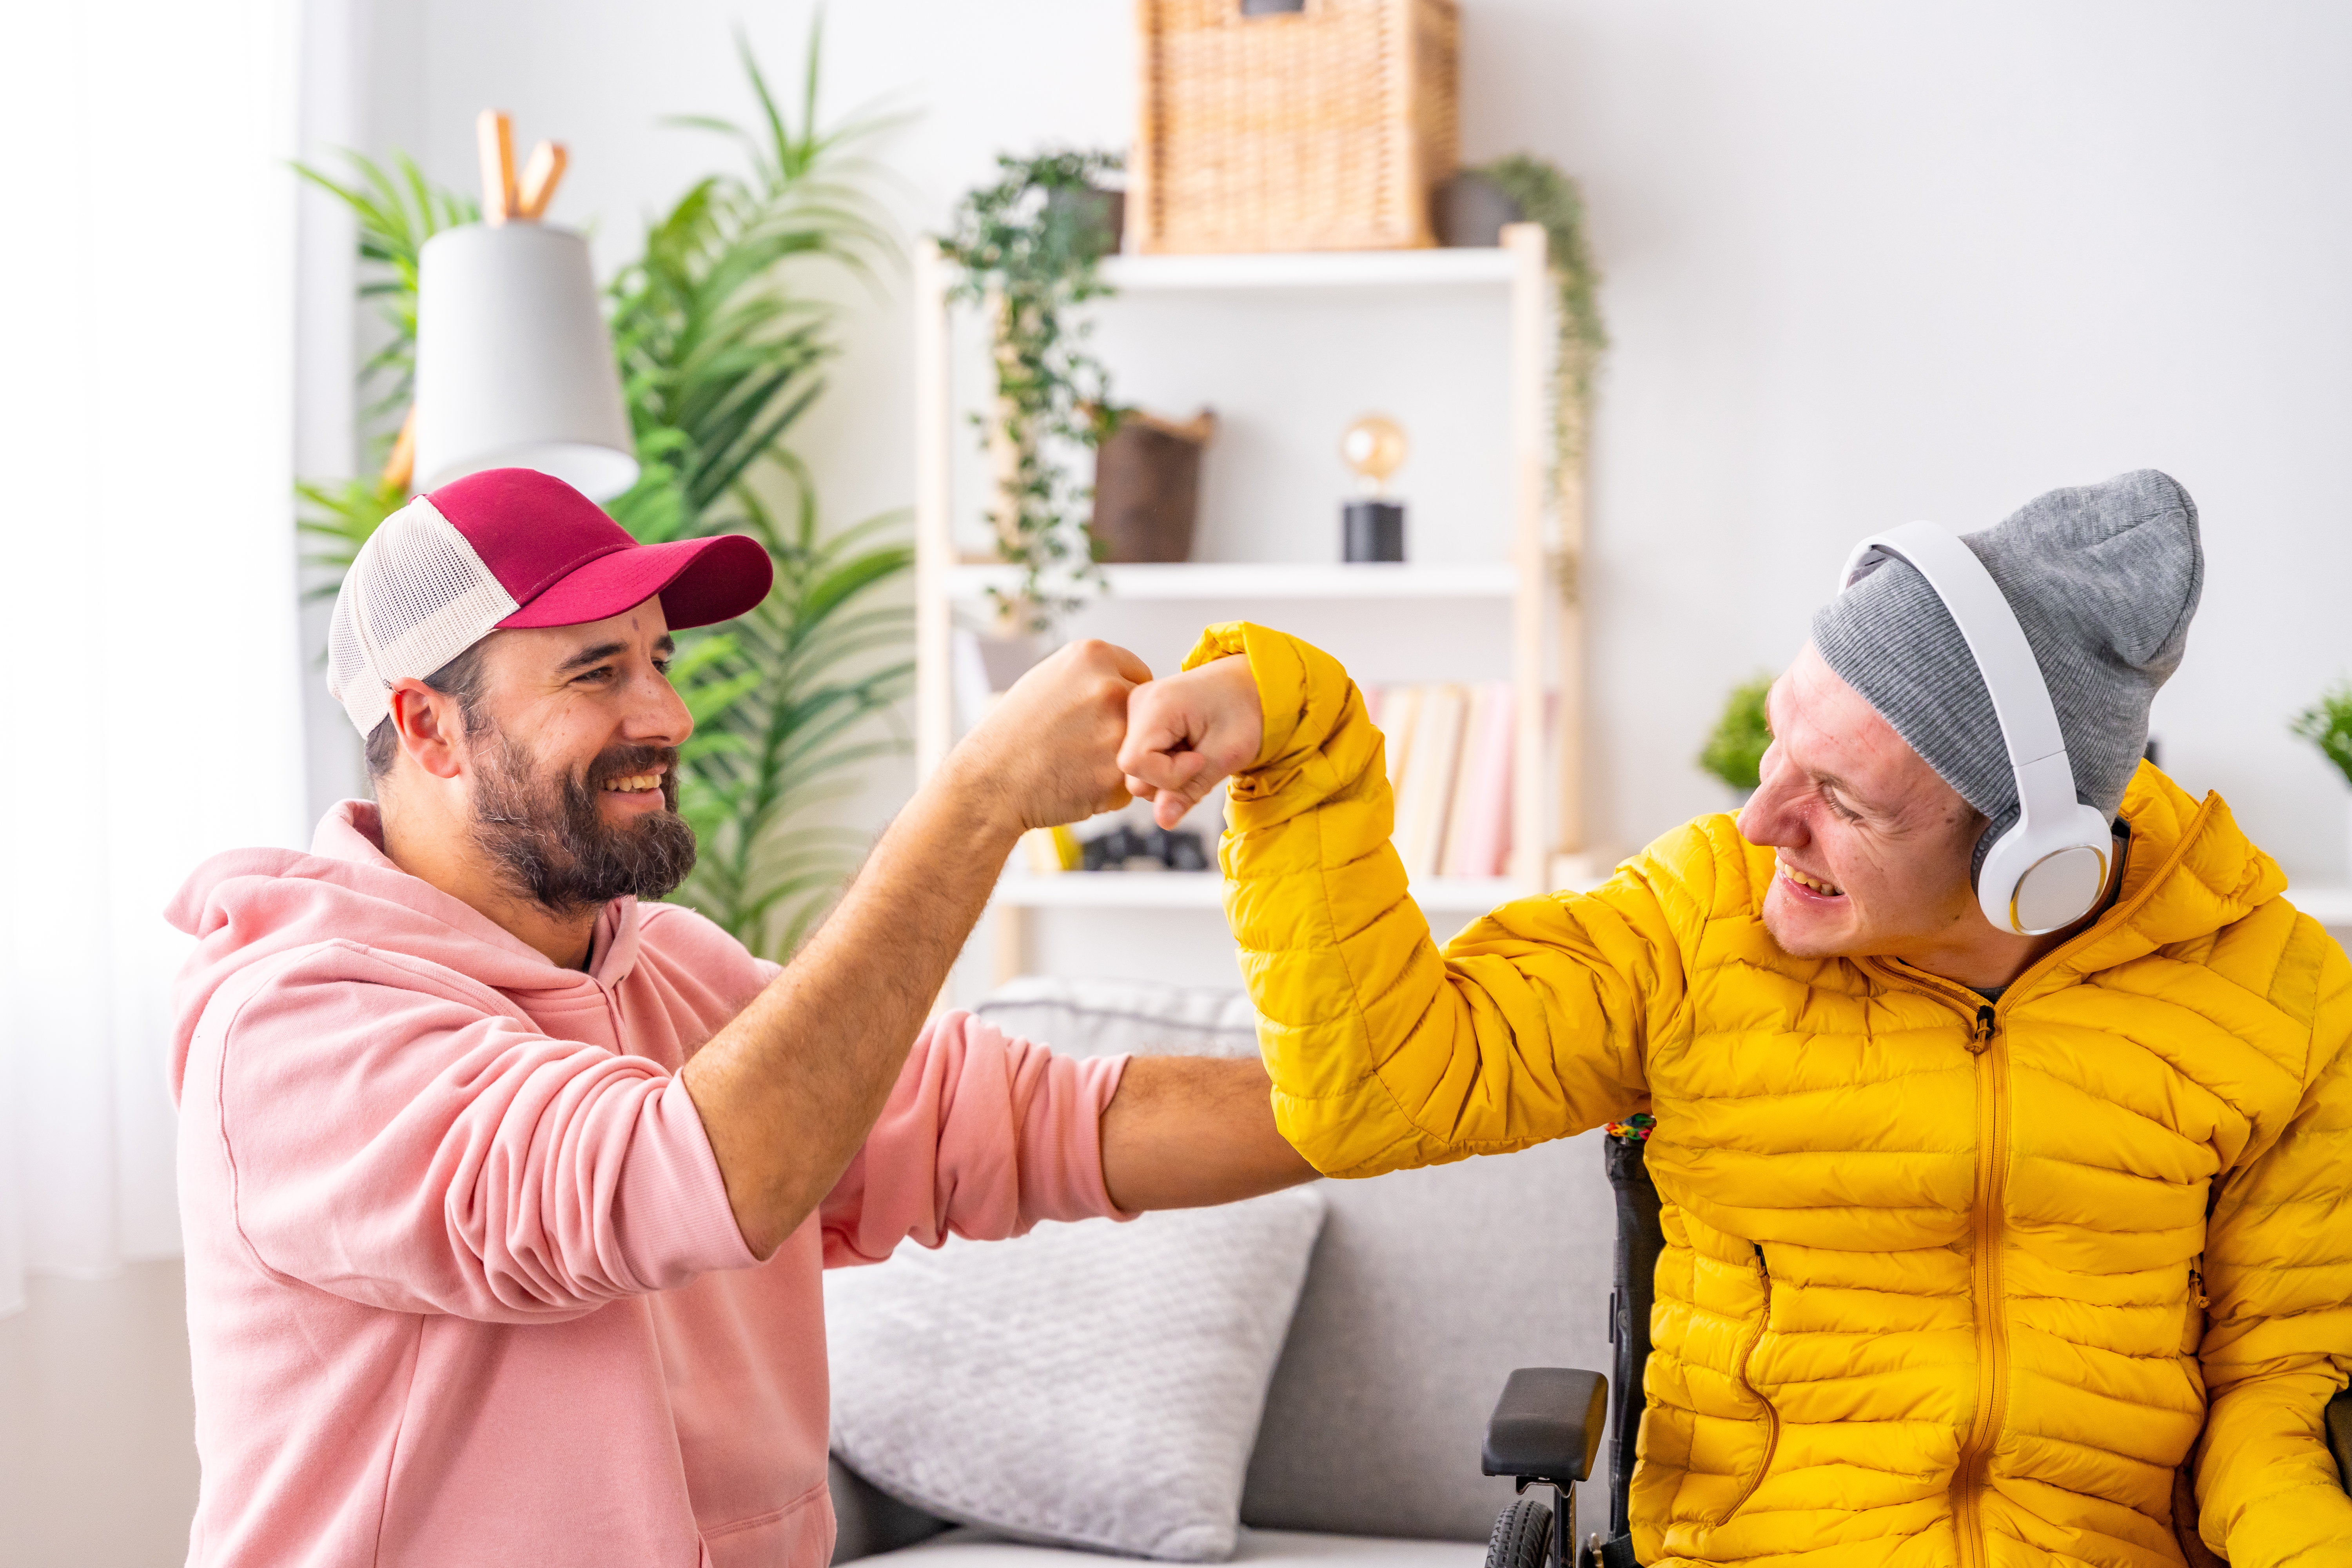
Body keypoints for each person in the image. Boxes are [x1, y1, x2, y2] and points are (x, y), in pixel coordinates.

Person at [1120, 470, 2352, 1568]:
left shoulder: (2278, 996)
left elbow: (2286, 1385)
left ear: (2033, 862)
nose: (1762, 823)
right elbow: (1378, 1094)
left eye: (1841, 801)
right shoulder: (1696, 921)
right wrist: (1296, 745)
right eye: (1779, 746)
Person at [165, 468, 1312, 1568]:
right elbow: (655, 1182)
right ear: (429, 730)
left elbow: (1021, 1120)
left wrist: (1397, 1095)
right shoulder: (294, 1027)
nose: (665, 714)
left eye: (658, 659)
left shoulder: (673, 970)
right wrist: (977, 802)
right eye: (594, 673)